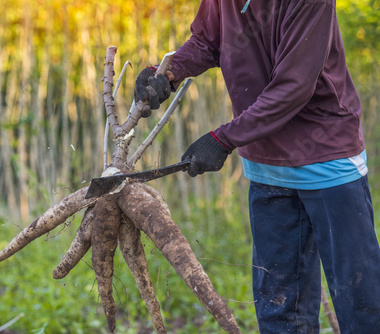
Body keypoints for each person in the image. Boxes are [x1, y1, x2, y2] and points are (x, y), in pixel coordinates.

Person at [134, 0, 380, 333]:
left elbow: (293, 86)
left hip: (327, 162)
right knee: (279, 313)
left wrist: (223, 138)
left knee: (361, 306)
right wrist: (168, 72)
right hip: (267, 169)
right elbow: (207, 41)